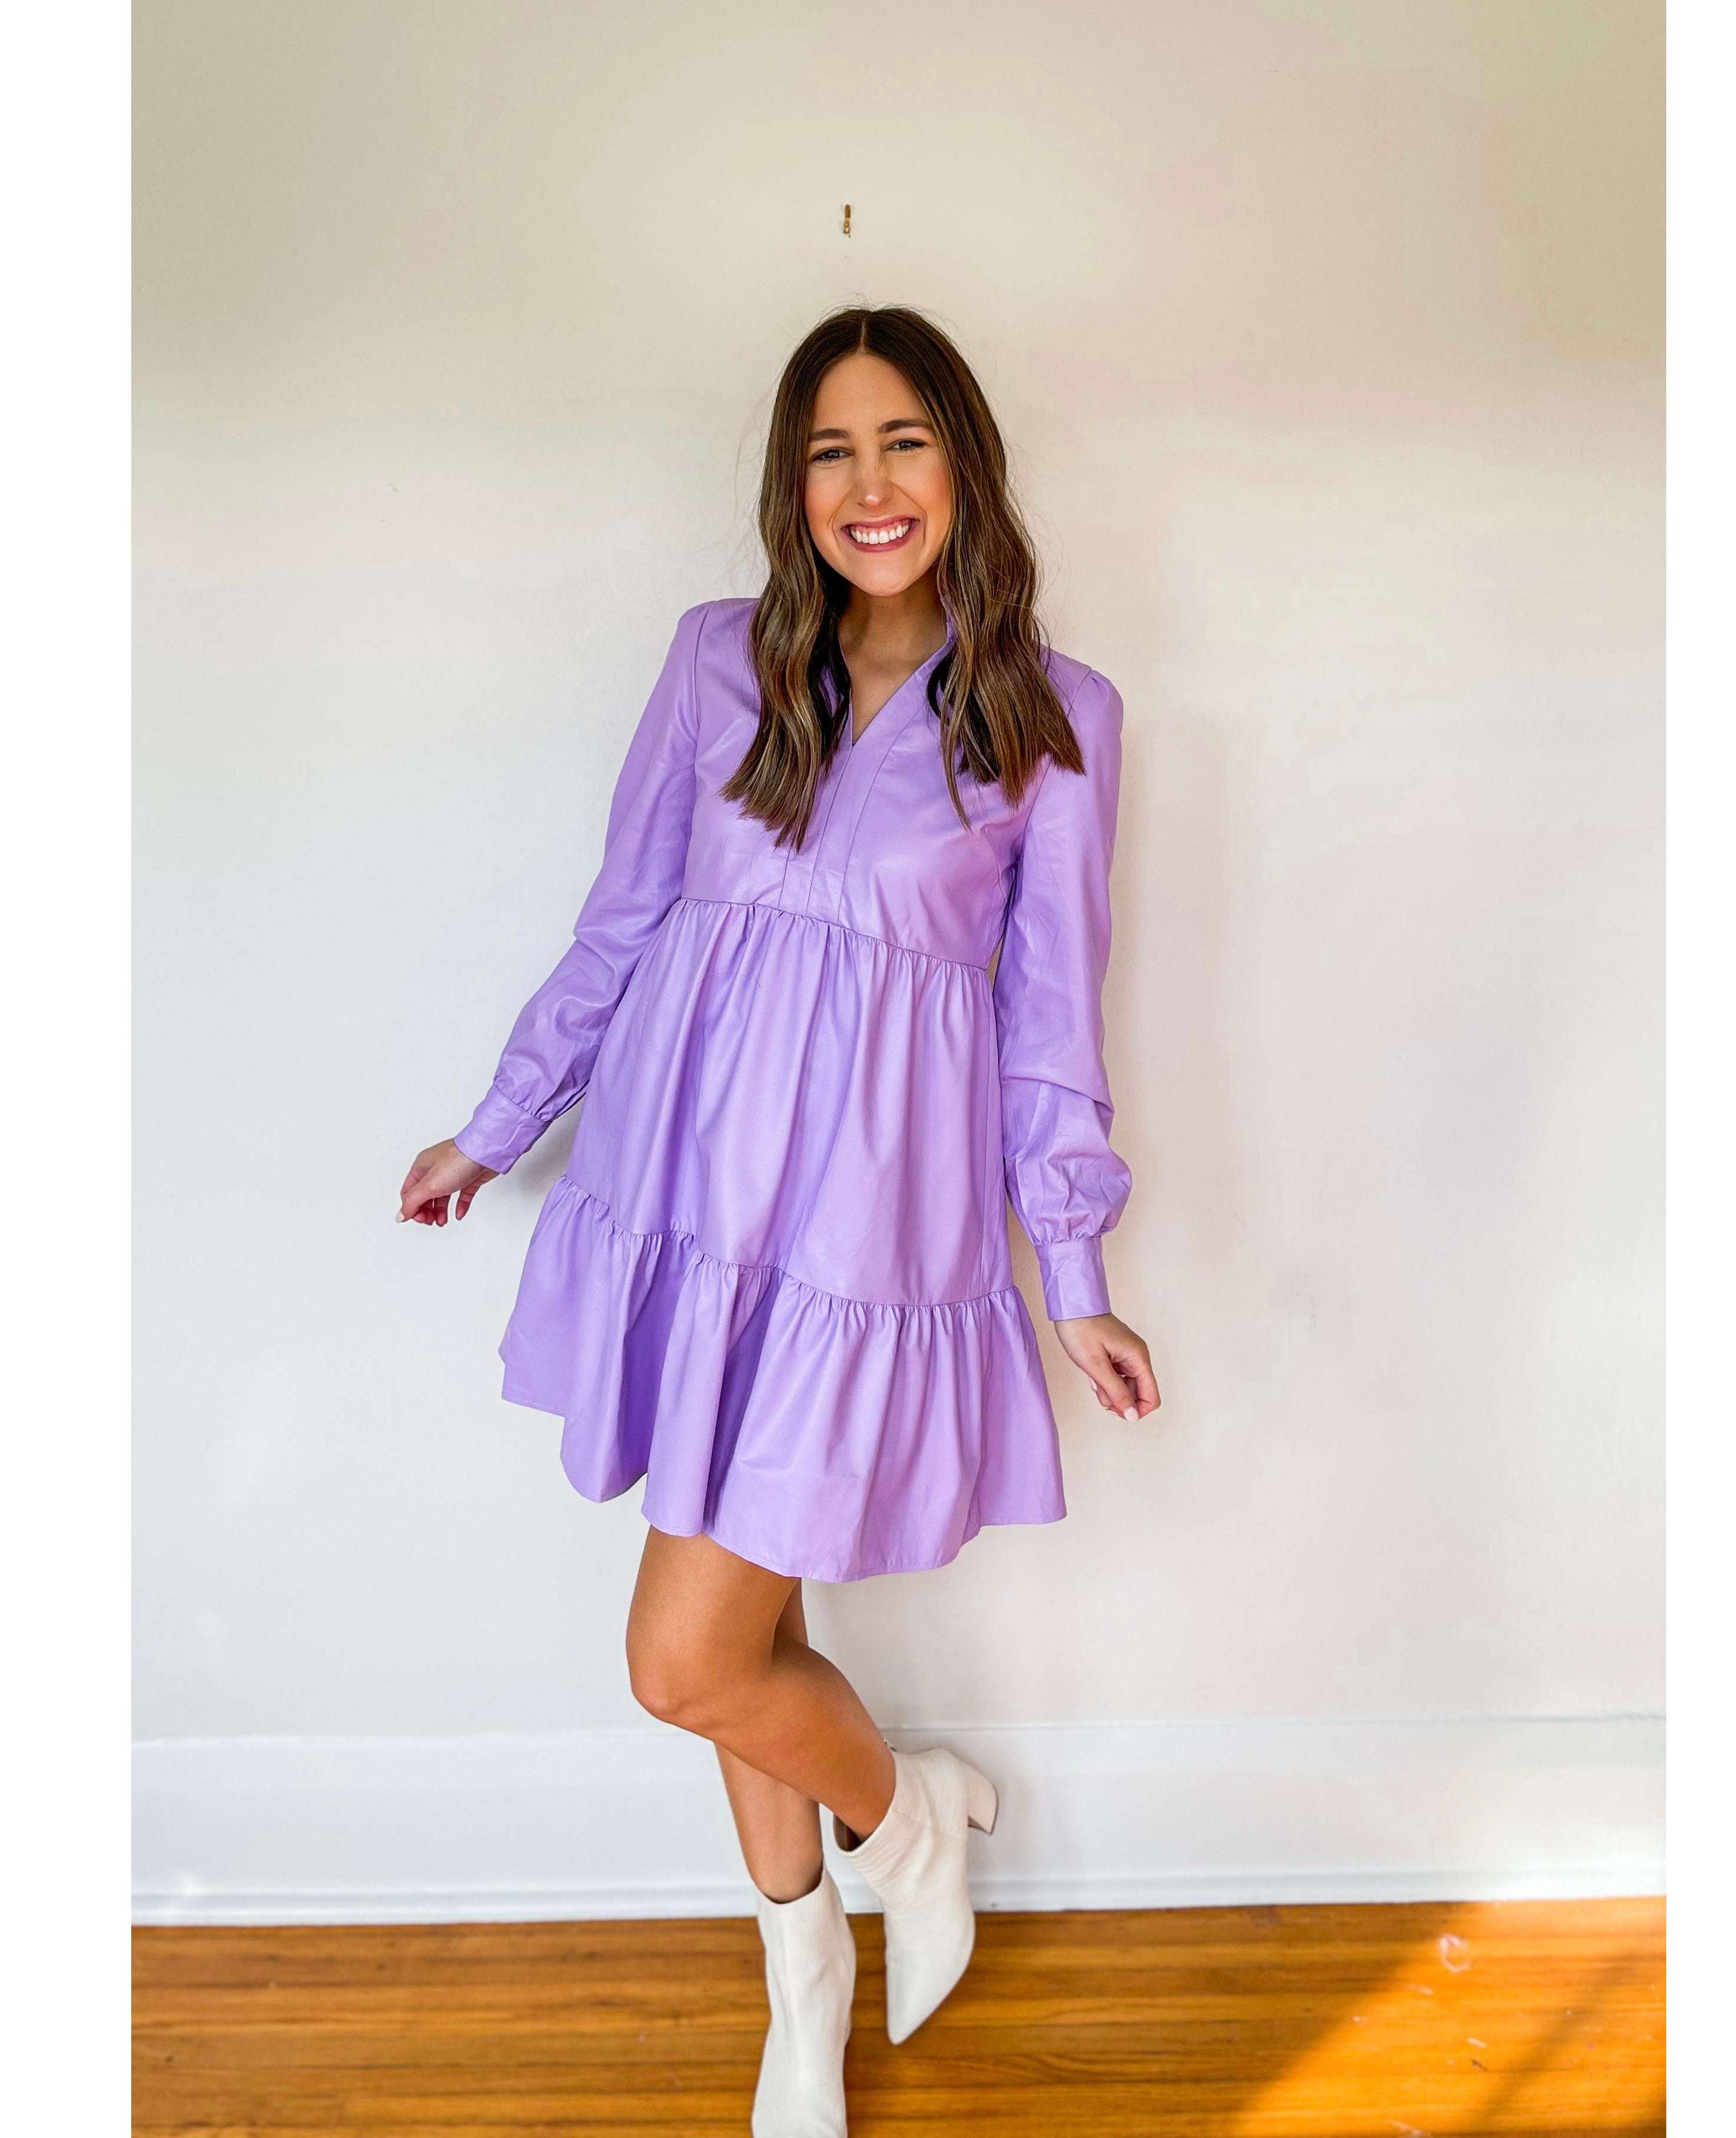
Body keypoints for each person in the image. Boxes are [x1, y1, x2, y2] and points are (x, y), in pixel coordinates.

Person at [397, 304, 1160, 2136]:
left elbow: (1050, 1026)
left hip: (858, 1248)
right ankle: (808, 1990)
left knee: (691, 1658)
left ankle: (908, 1822)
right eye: (831, 449)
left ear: (963, 464)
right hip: (687, 1201)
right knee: (745, 1634)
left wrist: (1074, 1272)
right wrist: (500, 1126)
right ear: (790, 483)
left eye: (904, 441)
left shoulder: (1058, 720)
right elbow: (624, 918)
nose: (868, 484)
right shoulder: (715, 661)